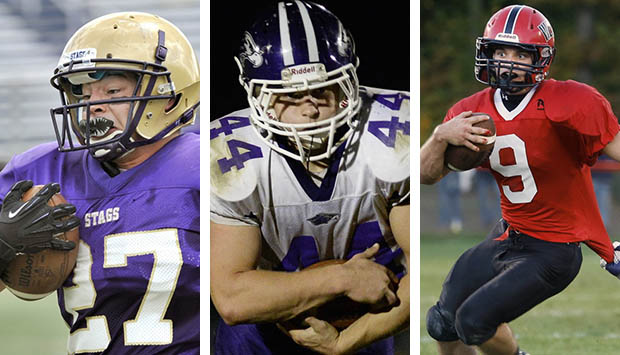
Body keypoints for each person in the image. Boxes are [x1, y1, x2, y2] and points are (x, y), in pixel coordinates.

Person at [210, 1, 410, 354]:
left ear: (348, 83)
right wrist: (340, 278)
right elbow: (232, 299)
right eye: (290, 95)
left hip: (372, 316)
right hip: (265, 324)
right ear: (258, 96)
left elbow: (422, 272)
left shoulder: (391, 137)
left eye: (322, 90)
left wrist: (348, 339)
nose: (310, 108)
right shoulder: (230, 156)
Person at [421, 5, 620, 355]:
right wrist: (440, 135)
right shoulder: (469, 112)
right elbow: (426, 175)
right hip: (509, 234)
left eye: (520, 53)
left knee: (473, 322)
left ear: (539, 59)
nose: (508, 61)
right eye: (500, 51)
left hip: (554, 250)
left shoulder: (572, 100)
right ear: (487, 53)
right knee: (441, 323)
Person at [0, 12, 200, 354]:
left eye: (111, 91)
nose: (92, 107)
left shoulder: (205, 166)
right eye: (82, 92)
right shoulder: (39, 174)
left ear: (167, 96)